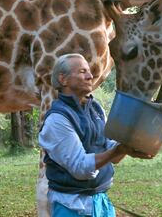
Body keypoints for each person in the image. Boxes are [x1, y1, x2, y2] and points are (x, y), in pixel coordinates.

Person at [39, 53, 151, 216]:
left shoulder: (96, 109)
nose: (90, 76)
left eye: (89, 71)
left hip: (100, 201)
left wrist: (129, 145)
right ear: (63, 79)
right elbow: (80, 167)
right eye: (82, 71)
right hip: (70, 206)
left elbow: (112, 153)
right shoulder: (57, 119)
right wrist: (120, 150)